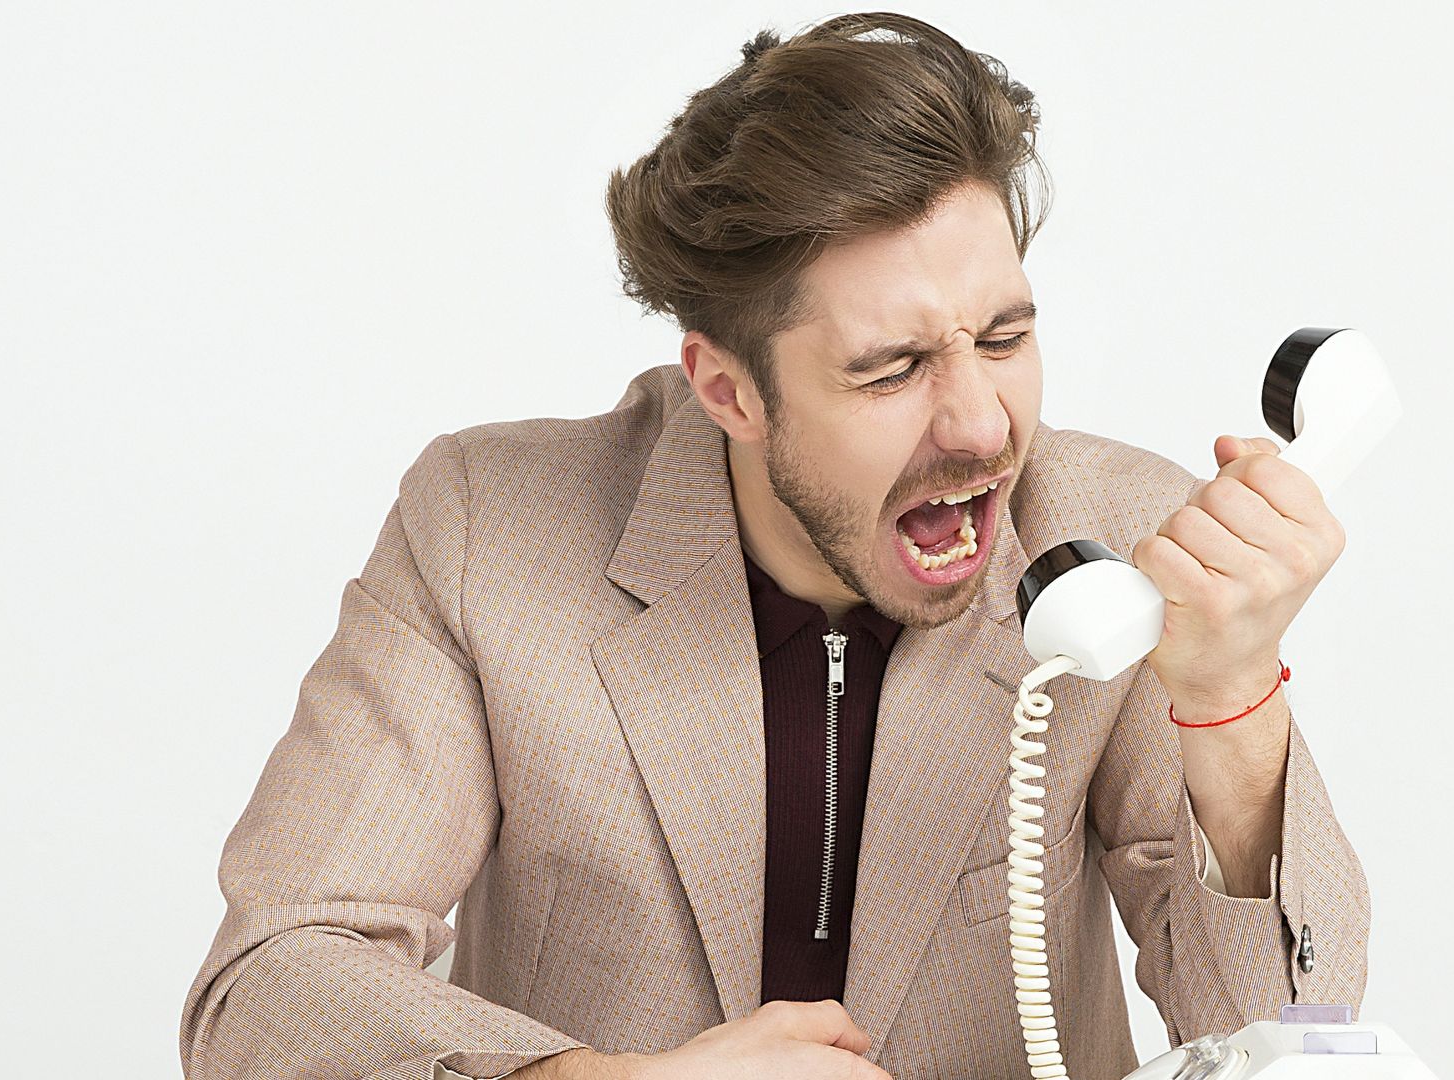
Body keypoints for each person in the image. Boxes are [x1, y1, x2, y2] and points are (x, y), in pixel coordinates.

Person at [179, 12, 1369, 1080]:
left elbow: (1292, 1037)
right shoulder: (486, 525)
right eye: (891, 367)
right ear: (730, 389)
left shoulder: (1114, 540)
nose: (982, 425)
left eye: (1003, 338)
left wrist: (1230, 705)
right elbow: (268, 989)